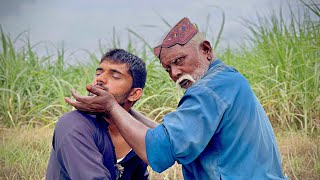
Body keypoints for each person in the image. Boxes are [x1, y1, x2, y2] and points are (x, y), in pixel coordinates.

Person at [65, 18, 288, 179]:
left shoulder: (208, 90)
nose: (174, 73)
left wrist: (112, 106)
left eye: (179, 60)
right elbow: (169, 135)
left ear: (206, 50)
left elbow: (160, 151)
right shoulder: (228, 81)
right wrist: (121, 108)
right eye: (167, 68)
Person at [46, 49, 153, 180]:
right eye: (98, 73)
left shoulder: (136, 134)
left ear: (134, 94)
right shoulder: (74, 125)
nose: (99, 79)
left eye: (115, 76)